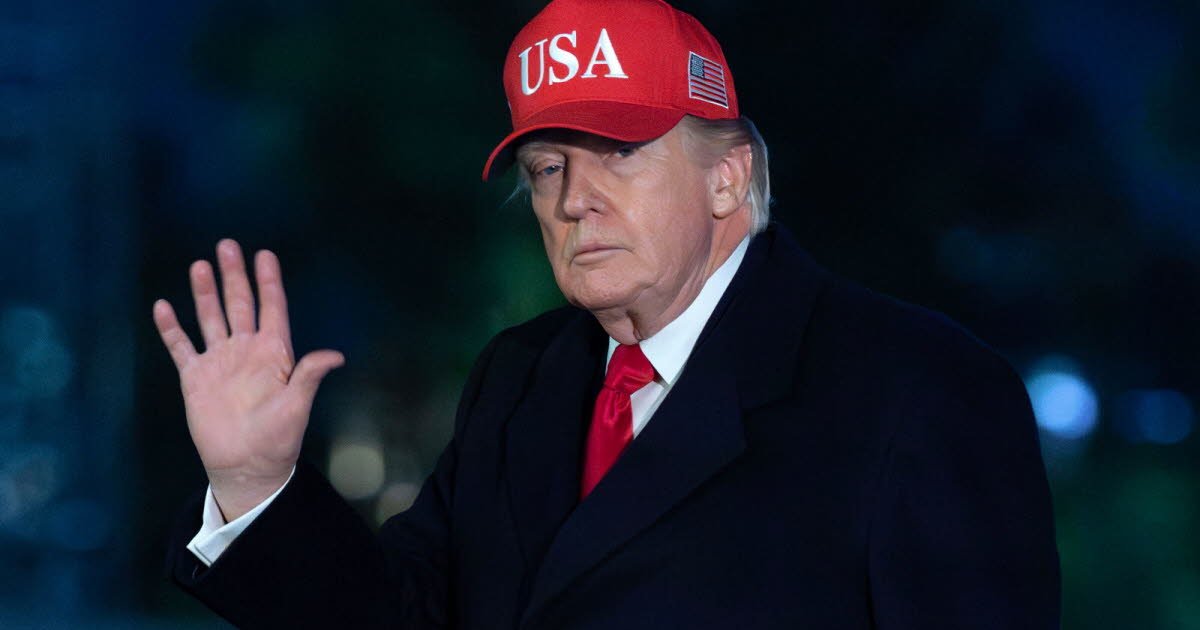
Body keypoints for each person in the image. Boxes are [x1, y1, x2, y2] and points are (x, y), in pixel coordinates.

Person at [155, 0, 1061, 627]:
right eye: (548, 167)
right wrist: (257, 485)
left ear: (728, 175)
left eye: (619, 151)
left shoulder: (917, 390)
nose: (572, 199)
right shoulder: (519, 379)